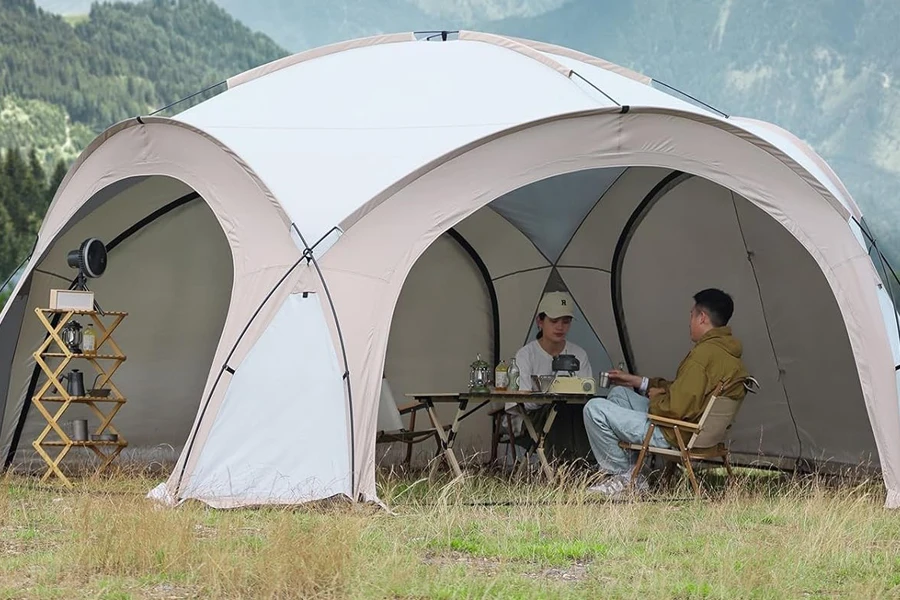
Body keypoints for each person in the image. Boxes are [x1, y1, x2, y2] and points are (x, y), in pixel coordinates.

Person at [583, 288, 750, 496]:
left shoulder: (702, 356)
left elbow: (674, 408)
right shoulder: (728, 355)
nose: (689, 321)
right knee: (619, 394)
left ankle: (623, 476)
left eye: (691, 315)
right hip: (695, 431)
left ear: (702, 318)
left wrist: (657, 397)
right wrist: (640, 382)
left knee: (594, 409)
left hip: (674, 432)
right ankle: (636, 472)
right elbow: (688, 391)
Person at [506, 291, 592, 441]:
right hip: (534, 419)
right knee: (560, 411)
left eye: (566, 321)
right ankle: (567, 463)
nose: (560, 327)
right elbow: (521, 402)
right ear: (540, 321)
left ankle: (577, 462)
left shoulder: (579, 354)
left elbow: (586, 395)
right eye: (554, 321)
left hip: (572, 416)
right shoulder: (526, 355)